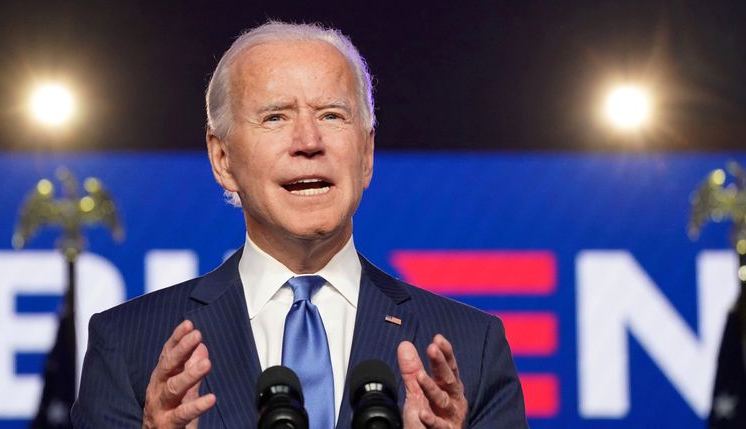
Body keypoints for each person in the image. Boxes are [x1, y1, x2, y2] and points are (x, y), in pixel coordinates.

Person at [71, 21, 528, 428]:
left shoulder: (472, 347)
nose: (309, 142)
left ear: (366, 155)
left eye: (332, 115)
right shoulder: (129, 345)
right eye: (276, 117)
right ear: (223, 158)